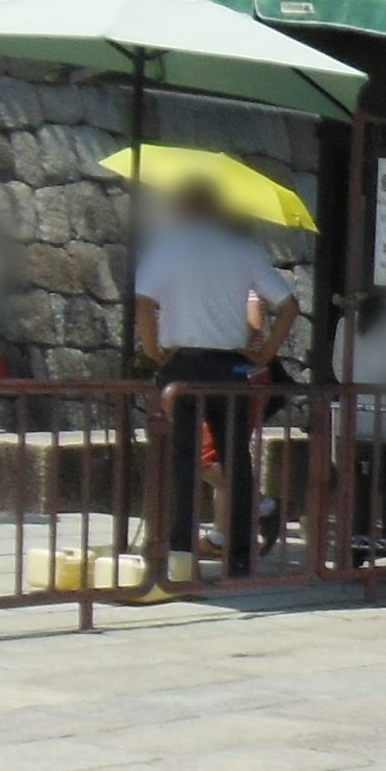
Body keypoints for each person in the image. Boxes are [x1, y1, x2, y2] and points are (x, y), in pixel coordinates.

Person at [133, 177, 298, 577]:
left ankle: (180, 551)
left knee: (184, 460)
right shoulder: (243, 249)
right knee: (236, 460)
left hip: (182, 366)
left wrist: (154, 350)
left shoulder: (165, 245)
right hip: (230, 366)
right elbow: (289, 305)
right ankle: (241, 554)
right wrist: (266, 352)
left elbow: (143, 303)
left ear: (183, 206)